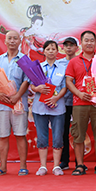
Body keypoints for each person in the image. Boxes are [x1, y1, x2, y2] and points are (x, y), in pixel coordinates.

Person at [65, 30, 96, 176]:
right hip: (79, 103)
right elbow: (68, 81)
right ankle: (80, 165)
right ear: (81, 43)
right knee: (78, 134)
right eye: (86, 40)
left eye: (92, 40)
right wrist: (78, 93)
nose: (89, 43)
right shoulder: (74, 61)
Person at [0, 30, 30, 176]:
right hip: (2, 103)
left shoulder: (24, 59)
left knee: (20, 135)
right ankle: (2, 167)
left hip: (19, 103)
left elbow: (27, 80)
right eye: (10, 38)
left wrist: (17, 96)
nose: (12, 41)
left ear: (20, 41)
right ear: (5, 41)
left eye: (15, 38)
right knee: (3, 135)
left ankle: (23, 166)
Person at [30, 40, 68, 176]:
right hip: (39, 107)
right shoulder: (38, 67)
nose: (51, 51)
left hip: (58, 107)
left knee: (58, 137)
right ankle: (43, 166)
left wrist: (56, 98)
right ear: (43, 51)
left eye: (53, 49)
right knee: (42, 137)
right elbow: (31, 85)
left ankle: (56, 166)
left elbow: (65, 87)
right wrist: (37, 88)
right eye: (48, 49)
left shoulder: (63, 68)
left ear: (57, 51)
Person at [58, 36, 78, 170]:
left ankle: (79, 162)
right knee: (63, 132)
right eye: (66, 45)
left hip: (78, 101)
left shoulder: (80, 61)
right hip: (62, 102)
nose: (69, 47)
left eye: (71, 45)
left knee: (78, 132)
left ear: (77, 48)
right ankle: (64, 160)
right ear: (63, 48)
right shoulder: (58, 63)